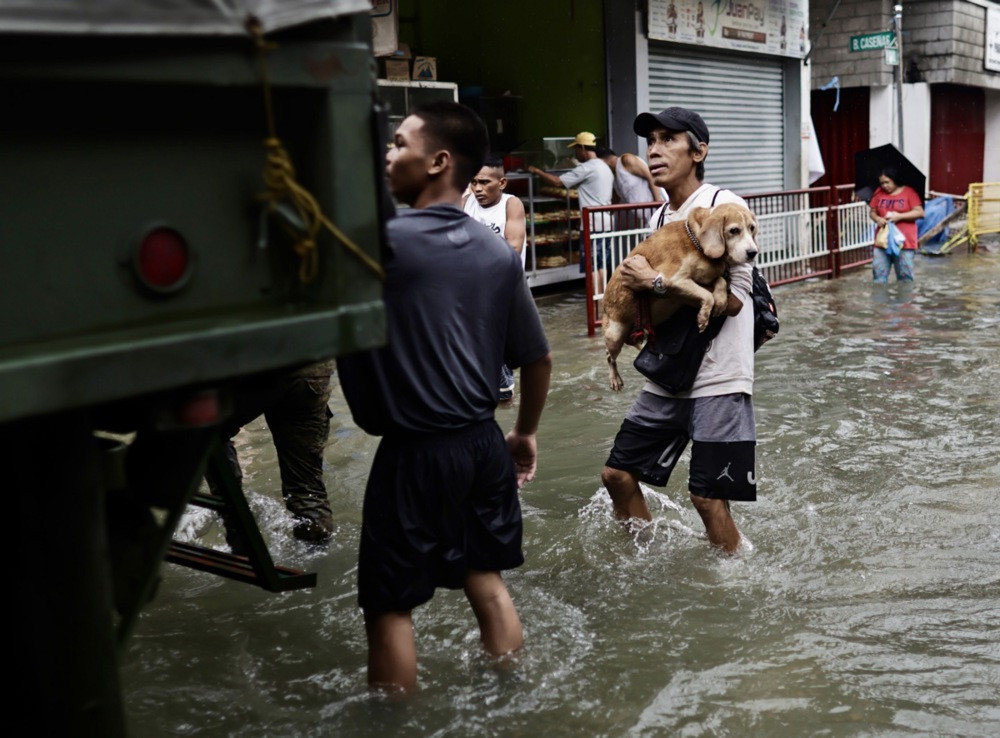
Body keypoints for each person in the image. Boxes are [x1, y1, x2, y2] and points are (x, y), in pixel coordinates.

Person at [337, 101, 552, 694]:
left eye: (398, 144)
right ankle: (514, 696)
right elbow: (538, 360)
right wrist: (525, 433)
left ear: (437, 161)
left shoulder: (378, 247)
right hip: (483, 444)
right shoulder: (495, 254)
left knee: (388, 608)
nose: (387, 155)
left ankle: (393, 721)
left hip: (414, 453)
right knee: (486, 578)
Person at [601, 107, 757, 555]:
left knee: (707, 497)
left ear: (699, 150)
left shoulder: (724, 208)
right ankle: (647, 559)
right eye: (650, 140)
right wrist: (635, 314)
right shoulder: (661, 219)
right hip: (670, 373)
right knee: (617, 474)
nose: (654, 149)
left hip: (719, 376)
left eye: (668, 139)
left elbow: (735, 300)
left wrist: (654, 283)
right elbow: (658, 300)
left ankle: (735, 580)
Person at [207, 361, 336, 547]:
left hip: (251, 366)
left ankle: (241, 544)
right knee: (307, 491)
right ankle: (317, 559)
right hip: (310, 368)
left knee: (208, 436)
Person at [463, 155, 528, 401]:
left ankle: (504, 394)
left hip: (507, 289)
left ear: (501, 183)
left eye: (484, 182)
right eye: (473, 182)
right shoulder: (465, 202)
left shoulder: (511, 205)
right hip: (474, 290)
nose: (478, 189)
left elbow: (513, 249)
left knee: (498, 347)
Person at [527, 131, 614, 284]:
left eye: (576, 149)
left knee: (591, 265)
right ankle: (601, 297)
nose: (575, 153)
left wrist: (537, 171)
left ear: (582, 148)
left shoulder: (587, 167)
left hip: (592, 223)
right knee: (601, 264)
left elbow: (557, 182)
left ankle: (596, 301)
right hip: (606, 221)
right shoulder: (604, 165)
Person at [869, 167, 924, 283]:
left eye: (887, 182)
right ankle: (881, 301)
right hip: (882, 241)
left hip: (905, 242)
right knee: (878, 276)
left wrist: (899, 216)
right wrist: (877, 219)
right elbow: (872, 212)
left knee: (905, 278)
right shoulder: (878, 193)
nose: (884, 186)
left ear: (894, 179)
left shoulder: (909, 192)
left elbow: (920, 212)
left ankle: (904, 301)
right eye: (882, 183)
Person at [597, 146, 664, 205]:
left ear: (603, 161)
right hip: (646, 216)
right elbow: (615, 199)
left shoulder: (625, 160)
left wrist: (658, 202)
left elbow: (651, 175)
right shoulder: (613, 176)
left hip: (658, 208)